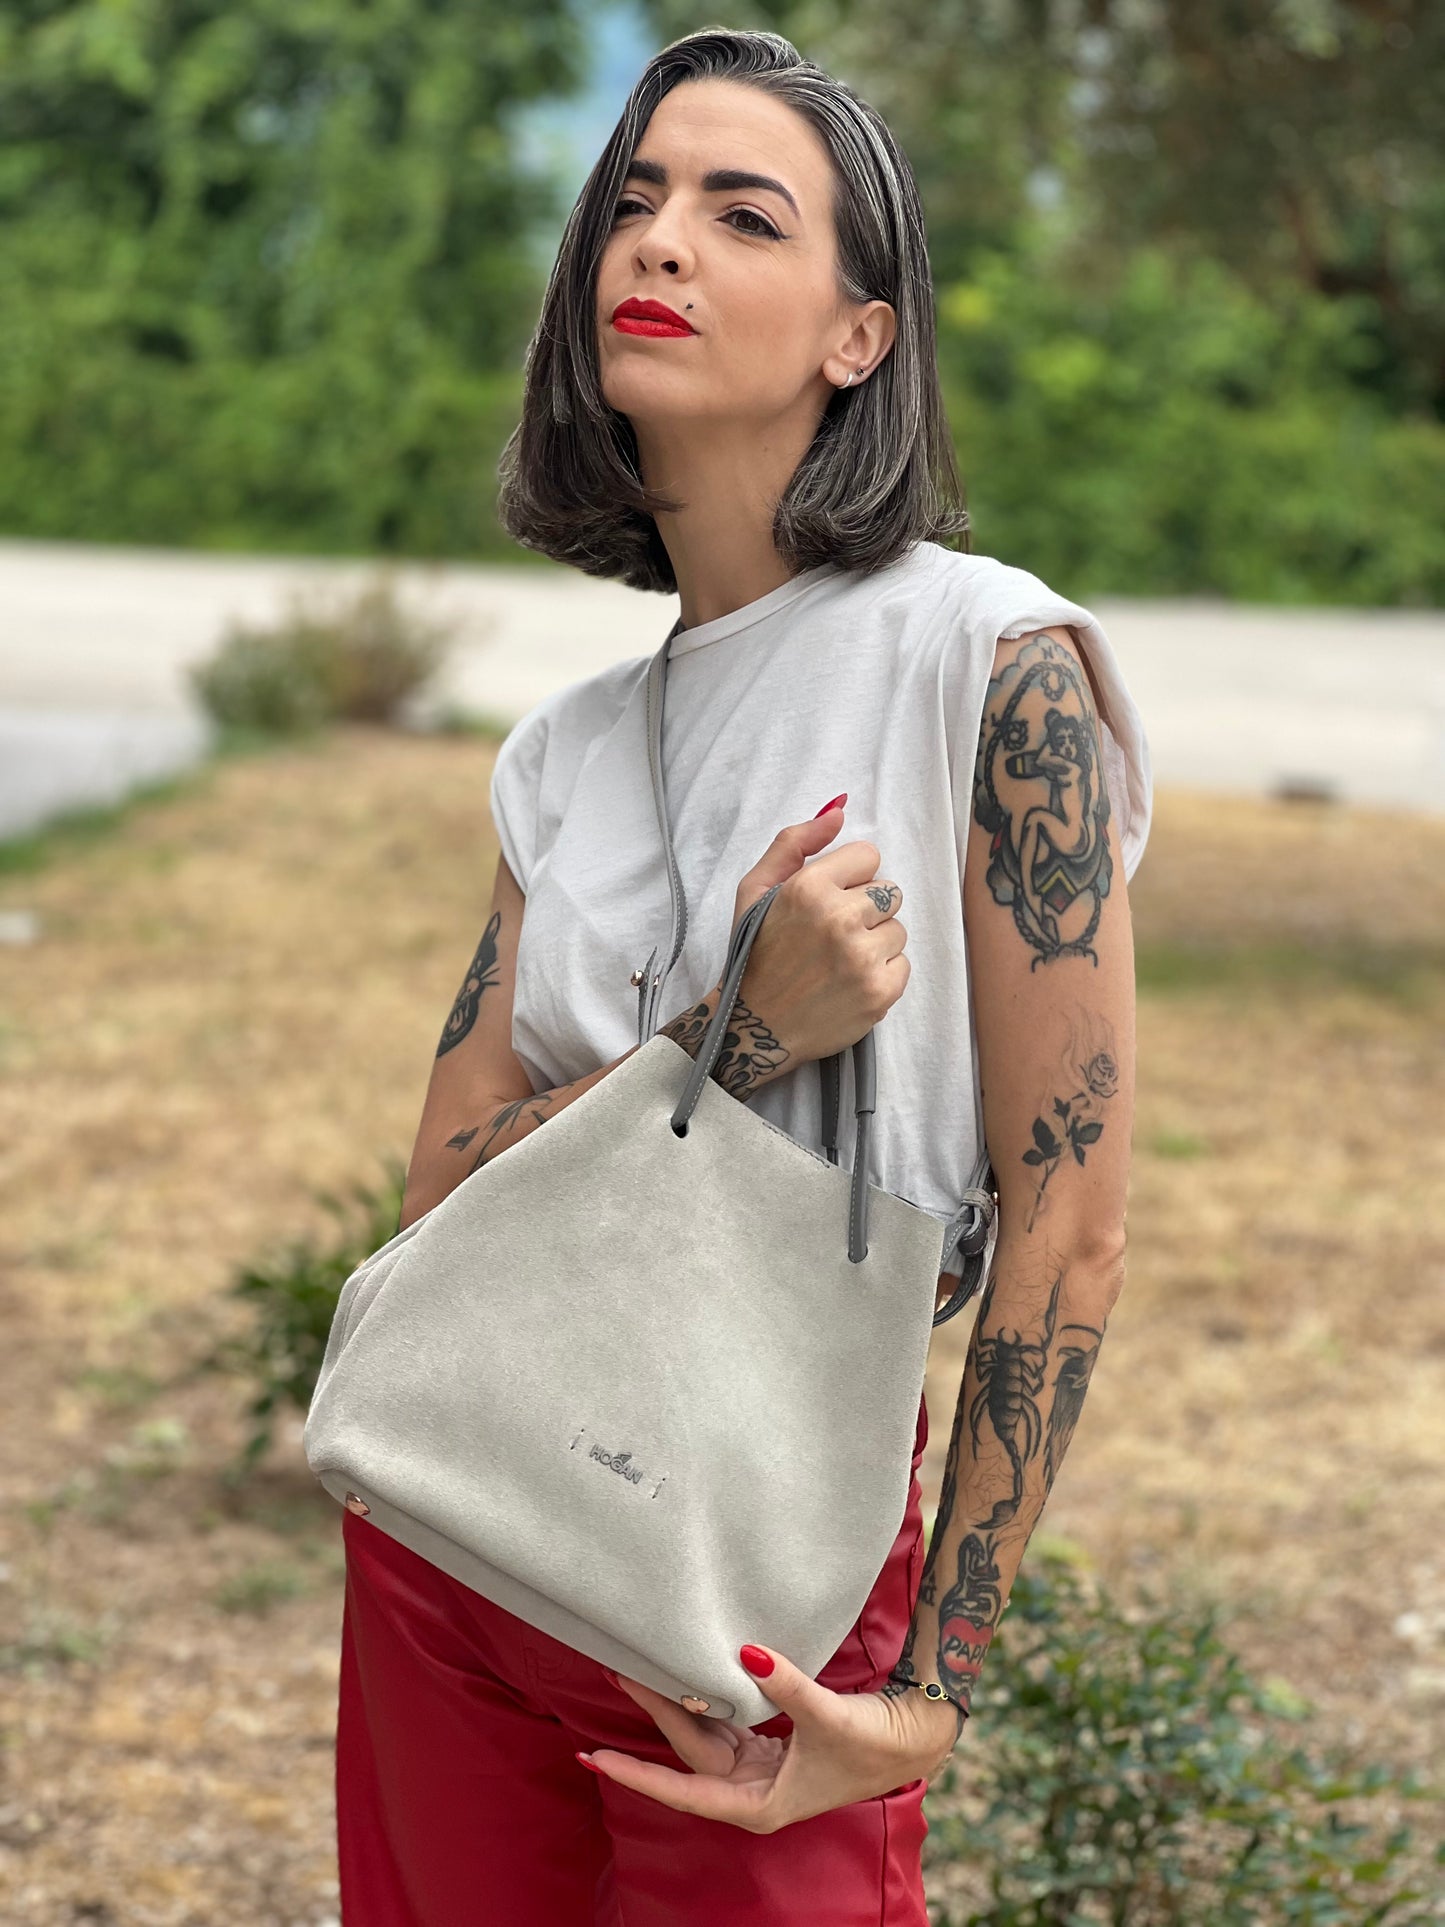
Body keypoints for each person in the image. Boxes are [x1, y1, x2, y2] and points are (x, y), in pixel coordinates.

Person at [332, 25, 1153, 1925]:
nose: (660, 240)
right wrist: (729, 1038)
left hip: (756, 1582)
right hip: (454, 1530)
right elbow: (441, 1198)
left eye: (741, 213)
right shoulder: (565, 748)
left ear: (860, 334)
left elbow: (1069, 1225)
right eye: (634, 200)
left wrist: (924, 1695)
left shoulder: (985, 667)